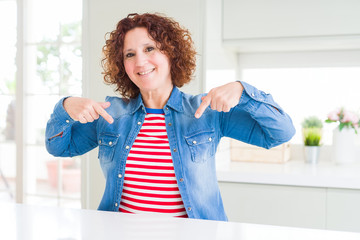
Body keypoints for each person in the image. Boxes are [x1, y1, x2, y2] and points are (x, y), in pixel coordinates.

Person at [45, 13, 295, 221]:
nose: (140, 61)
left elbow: (280, 133)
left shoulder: (206, 112)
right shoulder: (110, 114)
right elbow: (58, 146)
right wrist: (65, 107)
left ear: (171, 54)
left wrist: (243, 91)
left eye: (149, 48)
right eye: (129, 54)